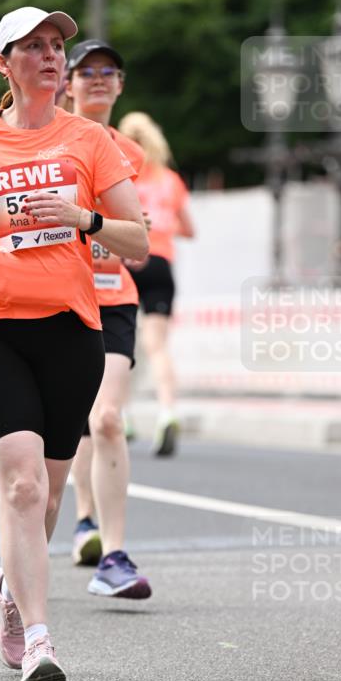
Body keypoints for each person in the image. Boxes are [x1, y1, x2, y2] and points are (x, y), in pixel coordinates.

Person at [0, 8, 148, 681]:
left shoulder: (90, 140)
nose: (51, 57)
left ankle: (10, 590)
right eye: (34, 47)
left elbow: (136, 239)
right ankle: (39, 643)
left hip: (70, 329)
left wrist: (85, 219)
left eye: (57, 47)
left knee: (46, 491)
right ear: (4, 63)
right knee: (19, 483)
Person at [63, 39, 151, 599]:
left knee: (108, 419)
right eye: (86, 70)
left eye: (109, 71)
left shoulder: (128, 154)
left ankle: (111, 555)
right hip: (55, 298)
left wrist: (111, 231)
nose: (98, 79)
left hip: (113, 295)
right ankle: (77, 517)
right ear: (67, 82)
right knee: (66, 425)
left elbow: (136, 241)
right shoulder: (42, 139)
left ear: (120, 85)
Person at [117, 112, 195, 457]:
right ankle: (167, 412)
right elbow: (189, 229)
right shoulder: (171, 181)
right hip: (161, 263)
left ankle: (122, 414)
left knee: (121, 345)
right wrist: (164, 227)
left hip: (125, 262)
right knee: (157, 346)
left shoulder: (123, 176)